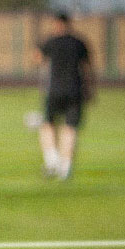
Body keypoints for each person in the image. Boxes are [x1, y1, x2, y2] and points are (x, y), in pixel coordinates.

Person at [34, 11, 93, 180]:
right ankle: (66, 168)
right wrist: (90, 90)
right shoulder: (79, 43)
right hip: (76, 90)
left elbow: (37, 59)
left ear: (56, 24)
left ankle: (52, 160)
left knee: (47, 125)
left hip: (54, 90)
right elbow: (88, 67)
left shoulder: (50, 41)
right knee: (70, 128)